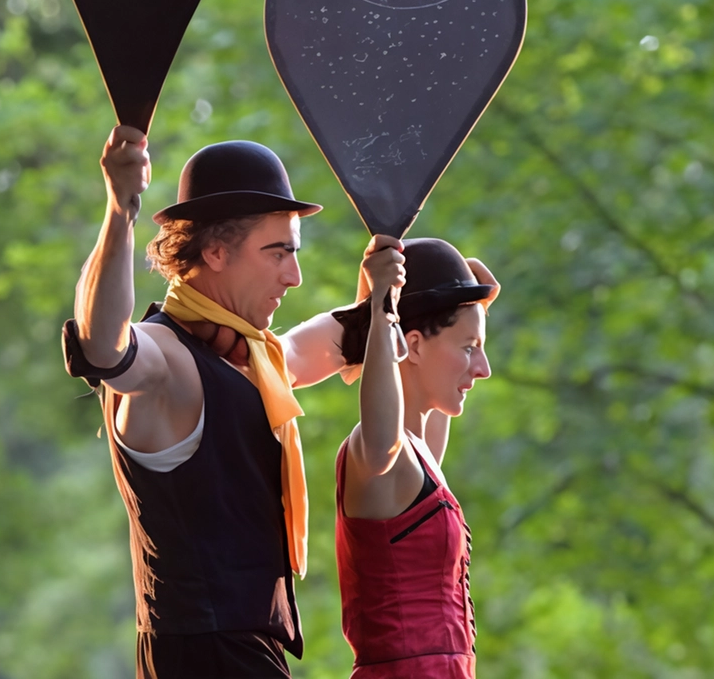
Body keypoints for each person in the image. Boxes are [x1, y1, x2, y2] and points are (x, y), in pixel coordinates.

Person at [62, 125, 384, 678]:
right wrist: (120, 210)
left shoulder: (251, 358)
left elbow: (329, 341)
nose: (295, 275)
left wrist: (398, 293)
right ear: (215, 251)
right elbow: (103, 344)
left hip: (241, 651)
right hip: (204, 654)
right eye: (278, 253)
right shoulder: (167, 360)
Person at [331, 236, 500, 678]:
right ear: (414, 345)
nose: (482, 368)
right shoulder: (380, 455)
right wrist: (382, 306)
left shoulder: (421, 453)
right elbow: (382, 420)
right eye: (468, 349)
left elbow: (422, 400)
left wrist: (474, 307)